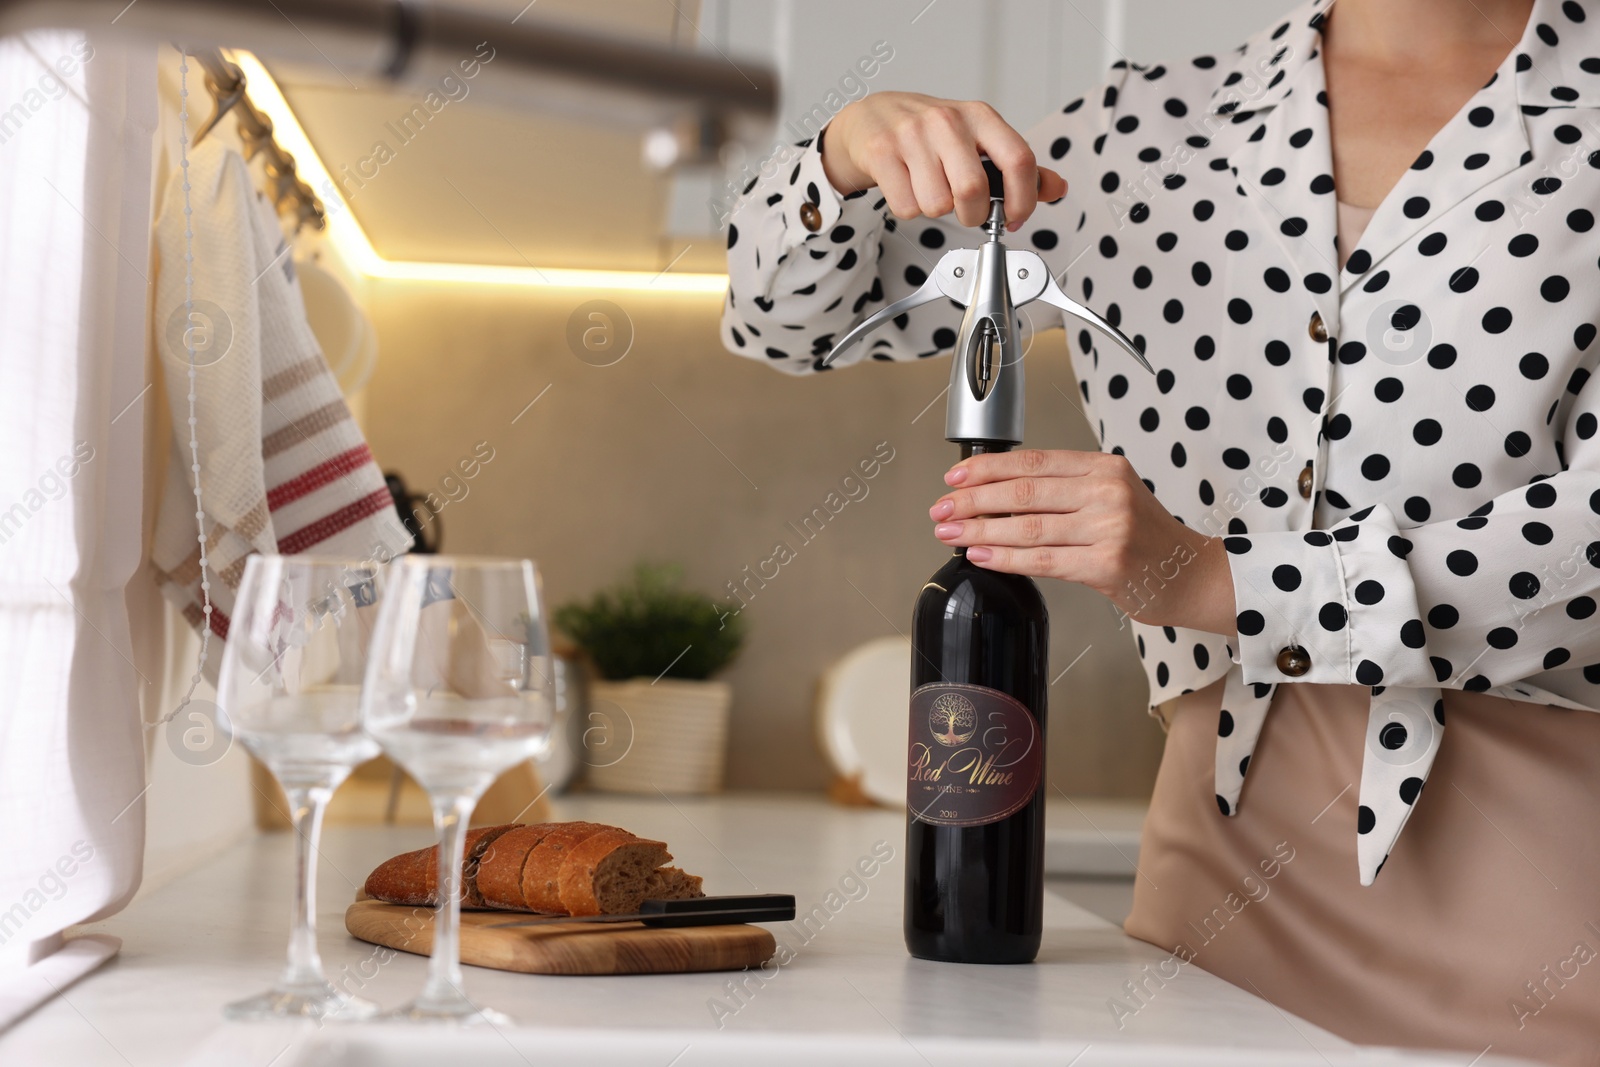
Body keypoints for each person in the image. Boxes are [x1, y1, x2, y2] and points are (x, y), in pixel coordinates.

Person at [720, 0, 1600, 1062]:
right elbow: (782, 320)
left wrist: (1215, 579)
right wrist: (847, 149)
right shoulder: (1139, 128)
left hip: (1542, 859)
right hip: (1220, 862)